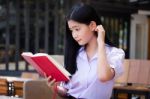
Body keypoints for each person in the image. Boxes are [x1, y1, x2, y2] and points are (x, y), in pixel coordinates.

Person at [46, 3, 125, 99]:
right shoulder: (74, 55)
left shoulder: (114, 53)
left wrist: (101, 43)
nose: (74, 35)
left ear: (92, 25)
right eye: (72, 30)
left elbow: (103, 76)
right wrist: (55, 88)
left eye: (77, 29)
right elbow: (67, 92)